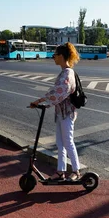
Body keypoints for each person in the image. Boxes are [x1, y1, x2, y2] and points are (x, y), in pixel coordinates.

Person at [30, 42, 81, 181]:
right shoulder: (63, 72)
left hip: (67, 113)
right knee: (60, 143)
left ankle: (76, 171)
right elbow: (55, 93)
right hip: (60, 113)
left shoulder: (67, 74)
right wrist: (42, 102)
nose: (53, 57)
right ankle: (60, 171)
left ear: (62, 56)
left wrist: (42, 102)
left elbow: (58, 93)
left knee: (68, 142)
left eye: (55, 55)